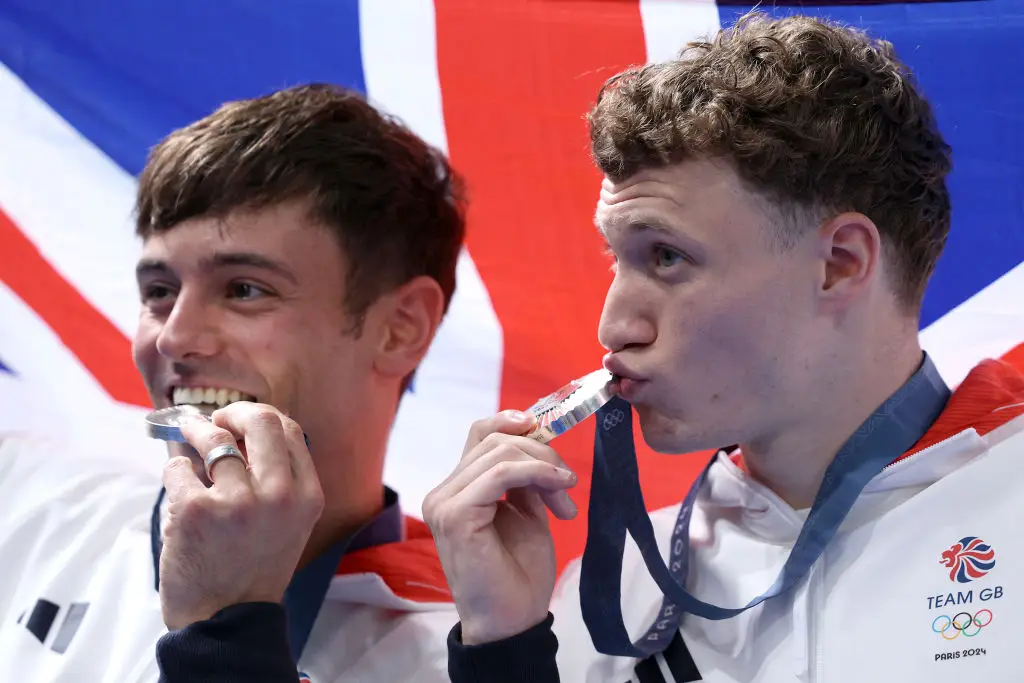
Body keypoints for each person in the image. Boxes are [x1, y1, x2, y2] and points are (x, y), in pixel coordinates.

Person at [423, 11, 1024, 683]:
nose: (614, 324)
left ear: (840, 263)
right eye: (617, 260)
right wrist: (505, 648)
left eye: (668, 256)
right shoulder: (612, 594)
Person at [0, 83, 464, 682]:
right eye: (159, 292)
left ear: (400, 329)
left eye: (245, 289)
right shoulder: (29, 514)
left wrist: (224, 627)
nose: (174, 338)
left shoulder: (468, 649)